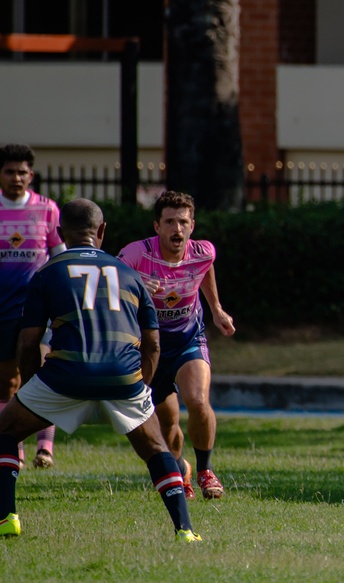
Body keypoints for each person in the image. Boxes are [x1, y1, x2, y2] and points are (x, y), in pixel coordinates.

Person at [0, 198, 200, 541]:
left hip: (66, 375)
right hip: (124, 376)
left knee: (4, 433)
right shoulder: (130, 274)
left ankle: (7, 517)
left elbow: (28, 343)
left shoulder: (47, 273)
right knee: (157, 449)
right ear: (102, 232)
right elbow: (152, 345)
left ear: (60, 233)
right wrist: (142, 389)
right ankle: (185, 530)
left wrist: (33, 389)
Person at [117, 191, 235, 500]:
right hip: (151, 347)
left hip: (188, 339)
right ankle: (179, 470)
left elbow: (204, 268)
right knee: (168, 422)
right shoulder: (135, 254)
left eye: (183, 222)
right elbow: (111, 280)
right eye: (170, 222)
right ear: (157, 226)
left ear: (192, 225)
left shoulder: (203, 252)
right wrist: (136, 284)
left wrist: (217, 309)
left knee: (197, 401)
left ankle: (206, 470)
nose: (177, 229)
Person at [0, 144, 64, 469]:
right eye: (10, 171)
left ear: (31, 175)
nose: (16, 178)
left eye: (22, 172)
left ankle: (46, 449)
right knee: (7, 381)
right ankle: (15, 447)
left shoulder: (47, 210)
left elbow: (61, 257)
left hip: (37, 311)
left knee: (39, 376)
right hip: (3, 311)